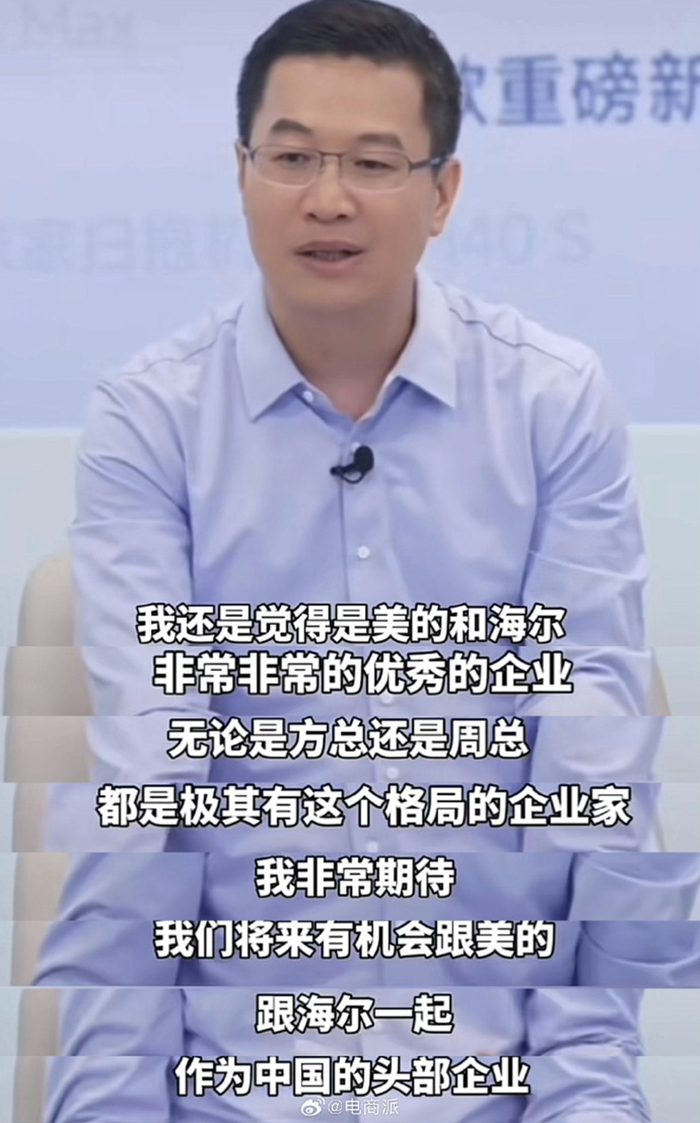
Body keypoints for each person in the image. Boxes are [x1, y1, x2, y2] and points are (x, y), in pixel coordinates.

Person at [34, 2, 699, 1121]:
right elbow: (144, 795)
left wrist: (584, 1096)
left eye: (374, 163)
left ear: (443, 192)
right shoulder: (151, 419)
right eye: (292, 156)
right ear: (241, 172)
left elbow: (589, 786)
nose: (327, 198)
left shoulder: (552, 404)